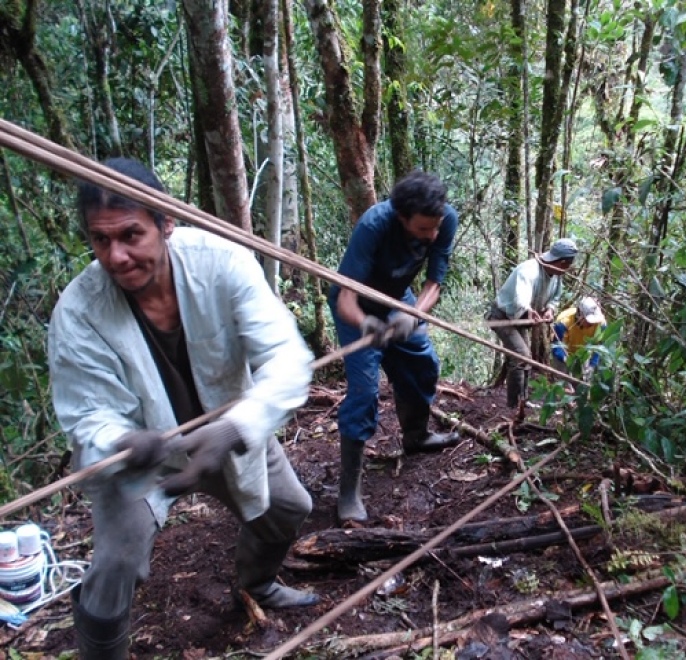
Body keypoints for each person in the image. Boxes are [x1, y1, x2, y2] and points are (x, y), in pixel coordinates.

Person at [48, 158, 318, 660]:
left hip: (227, 434)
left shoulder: (222, 262)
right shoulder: (79, 310)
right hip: (140, 457)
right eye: (100, 240)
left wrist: (236, 428)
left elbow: (287, 358)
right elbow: (86, 412)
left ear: (166, 222)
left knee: (289, 508)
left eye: (131, 235)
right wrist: (121, 440)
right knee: (115, 564)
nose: (116, 256)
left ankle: (256, 584)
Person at [328, 170, 461, 523]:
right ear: (402, 217)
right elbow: (345, 299)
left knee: (423, 364)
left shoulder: (445, 220)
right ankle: (349, 491)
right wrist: (367, 324)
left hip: (399, 299)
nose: (432, 235)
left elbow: (434, 284)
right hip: (358, 307)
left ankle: (416, 436)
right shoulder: (374, 225)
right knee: (364, 390)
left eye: (436, 227)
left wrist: (412, 316)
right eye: (423, 229)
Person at [487, 238, 579, 407]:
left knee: (525, 359)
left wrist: (550, 309)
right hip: (502, 317)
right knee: (521, 356)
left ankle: (522, 401)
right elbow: (520, 299)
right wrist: (528, 310)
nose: (568, 269)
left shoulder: (556, 275)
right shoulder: (529, 270)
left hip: (520, 321)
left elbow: (555, 297)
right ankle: (513, 405)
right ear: (562, 263)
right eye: (568, 265)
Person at [551, 296, 606, 375]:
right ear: (580, 316)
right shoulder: (563, 323)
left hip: (583, 353)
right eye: (589, 321)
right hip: (565, 352)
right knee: (561, 376)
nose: (592, 324)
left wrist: (592, 365)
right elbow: (556, 346)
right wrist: (566, 359)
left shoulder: (601, 324)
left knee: (583, 377)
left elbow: (599, 346)